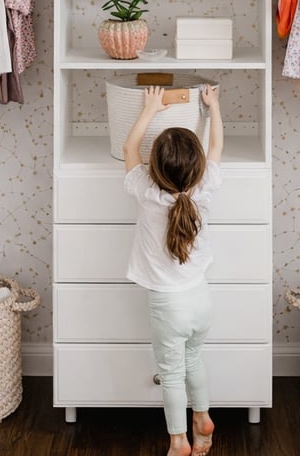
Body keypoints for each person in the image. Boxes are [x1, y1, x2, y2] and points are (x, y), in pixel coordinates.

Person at [123, 84, 223, 456]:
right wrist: (213, 108)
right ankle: (203, 417)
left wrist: (150, 108)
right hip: (201, 301)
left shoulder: (147, 192)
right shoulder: (204, 189)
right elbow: (216, 148)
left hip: (168, 306)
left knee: (172, 374)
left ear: (155, 168)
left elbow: (128, 149)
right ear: (196, 168)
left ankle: (179, 440)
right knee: (194, 360)